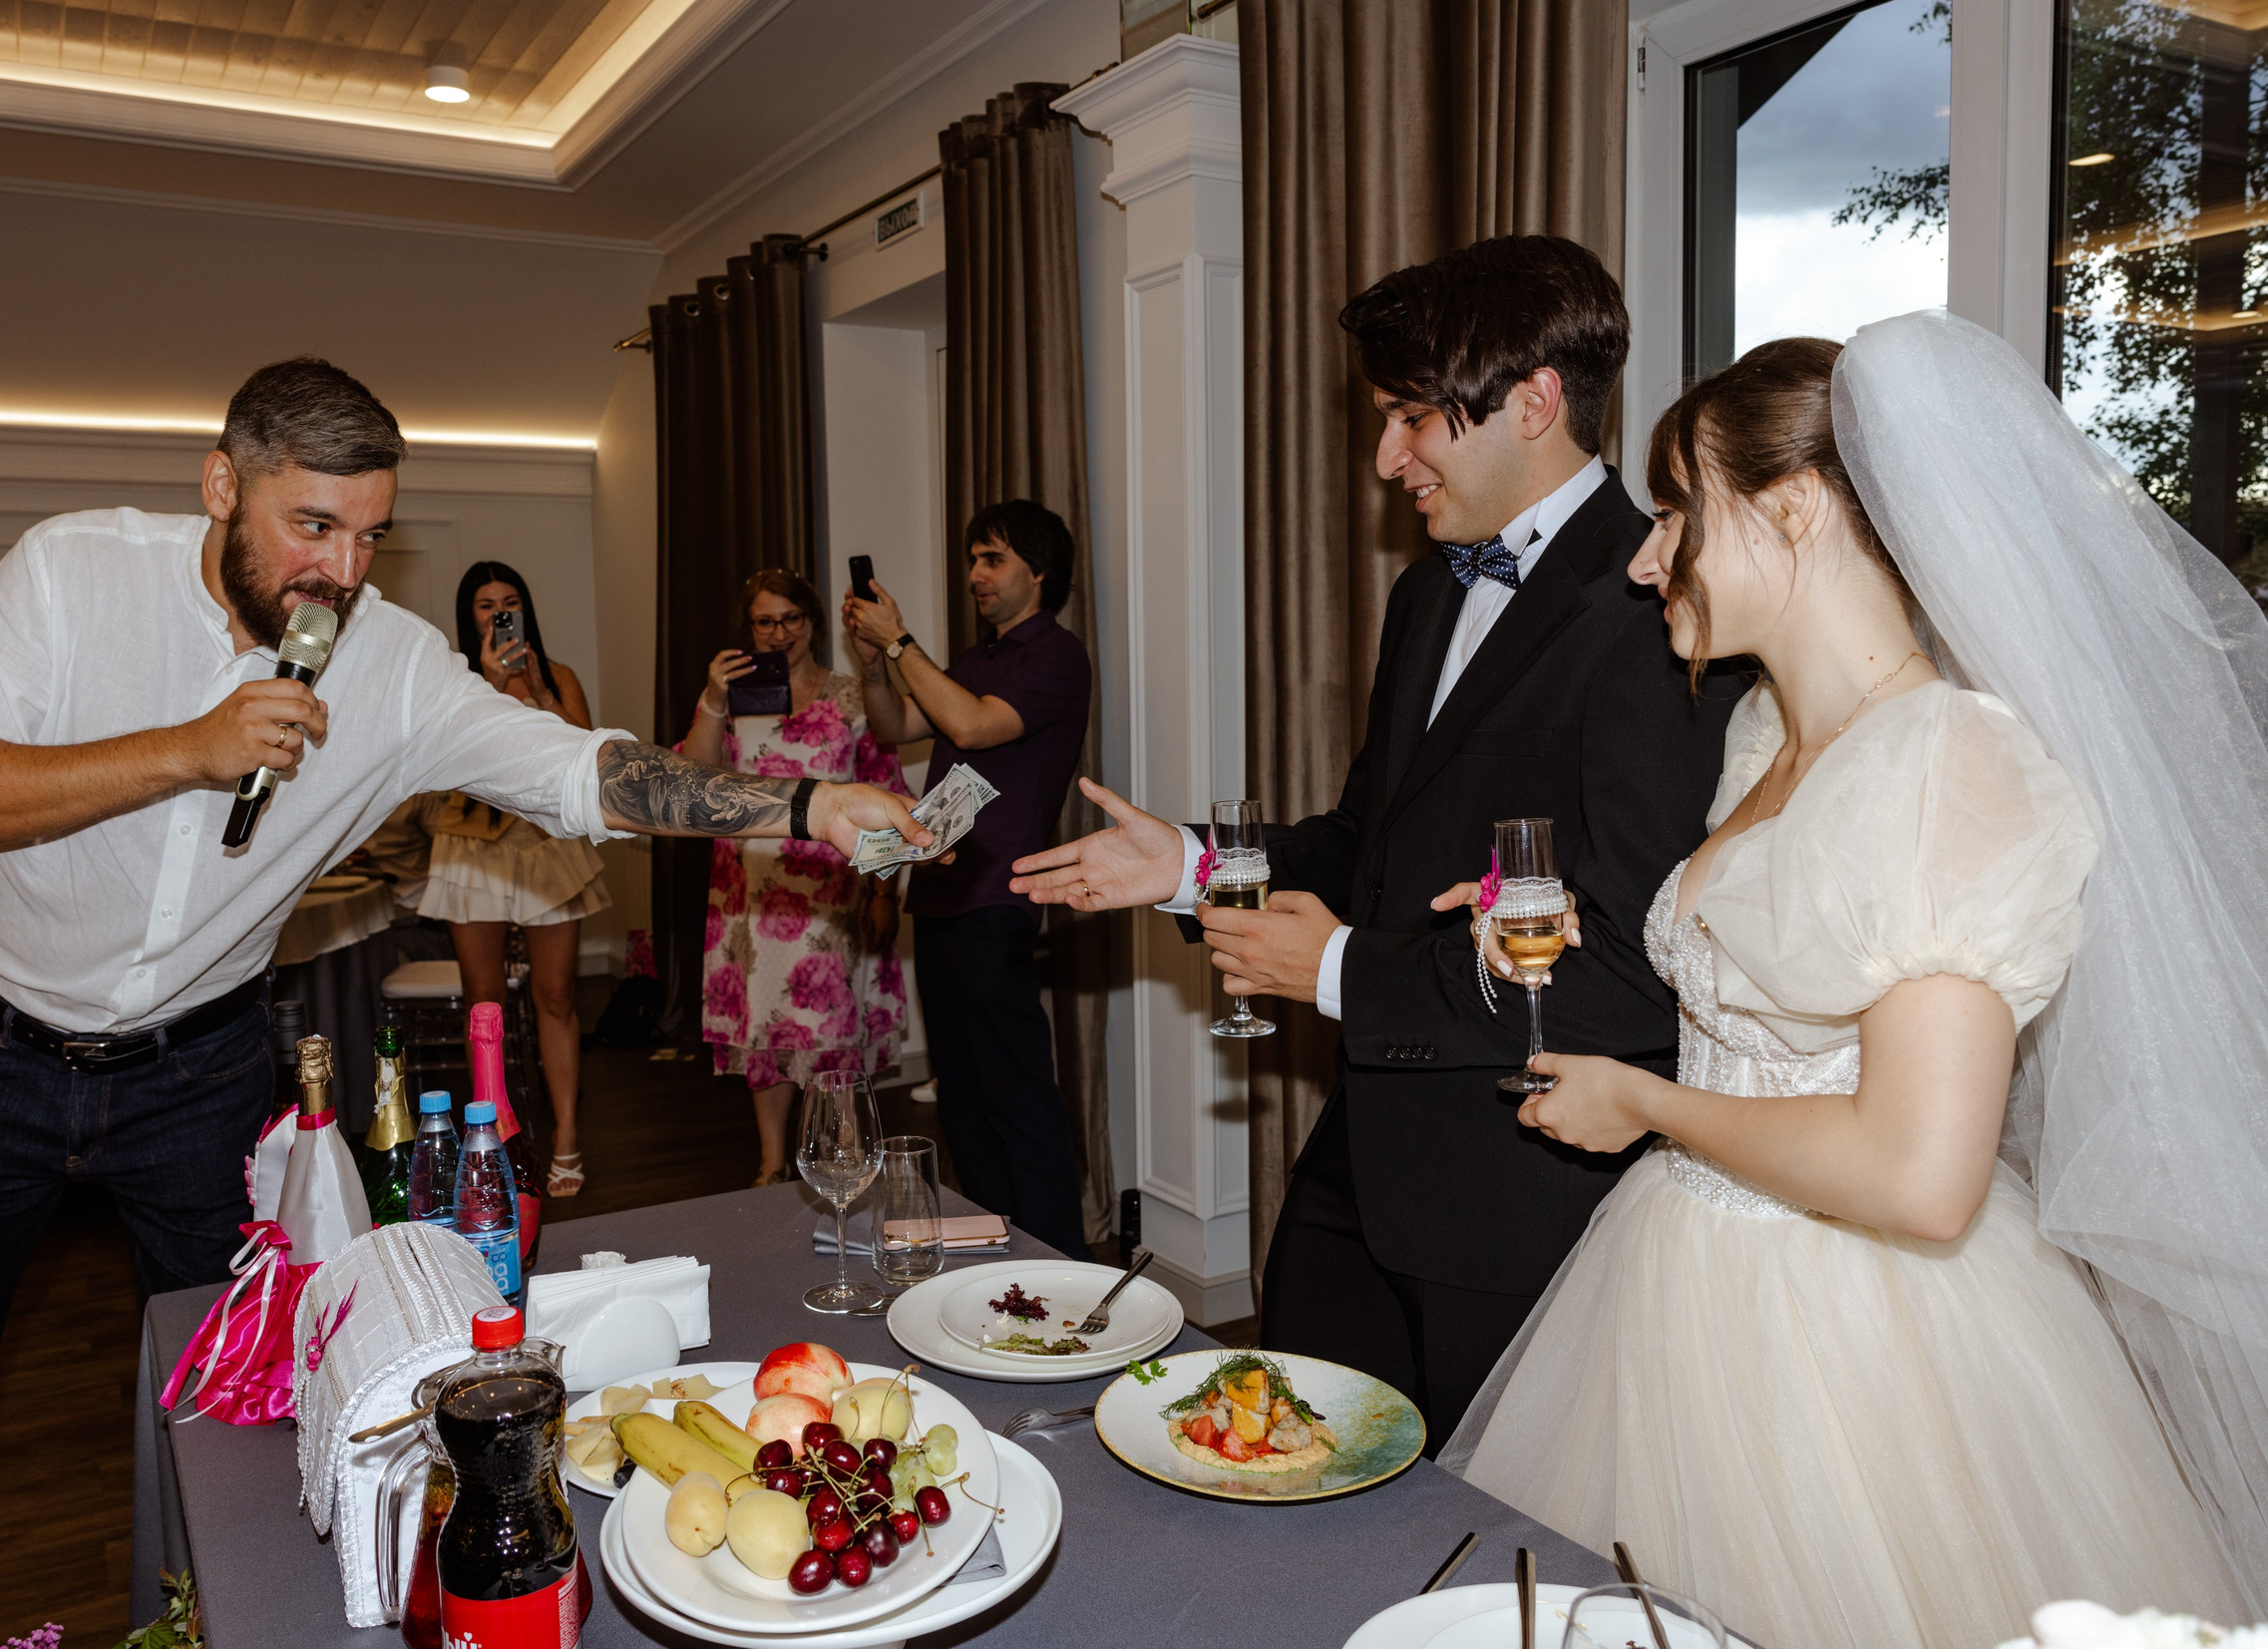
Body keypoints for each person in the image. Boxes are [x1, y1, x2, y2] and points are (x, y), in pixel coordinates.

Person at [0, 357, 932, 1649]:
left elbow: (585, 773)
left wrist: (805, 804)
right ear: (222, 485)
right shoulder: (74, 574)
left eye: (370, 537)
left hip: (198, 1076)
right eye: (313, 526)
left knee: (233, 1404)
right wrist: (190, 748)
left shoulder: (394, 667)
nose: (341, 572)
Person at [1439, 320, 2257, 1642]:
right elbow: (1770, 978)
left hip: (1857, 1341)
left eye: (1675, 513)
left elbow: (1921, 1179)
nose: (1645, 559)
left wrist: (1644, 1106)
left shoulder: (1950, 764)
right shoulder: (1765, 733)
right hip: (1681, 1285)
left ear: (1794, 507)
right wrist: (1559, 928)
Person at [1009, 237, 1741, 1431]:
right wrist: (1191, 867)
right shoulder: (1426, 591)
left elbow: (1628, 969)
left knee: (1475, 1527)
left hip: (1523, 1201)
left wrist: (1341, 971)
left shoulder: (1658, 608)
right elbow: (1370, 844)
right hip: (1361, 1163)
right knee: (1286, 1454)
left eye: (1410, 419)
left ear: (1533, 402)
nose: (1386, 458)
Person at [847, 502, 1094, 1260]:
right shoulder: (974, 658)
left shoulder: (1056, 655)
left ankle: (1058, 1259)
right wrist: (875, 663)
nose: (976, 575)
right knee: (961, 1094)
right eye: (973, 560)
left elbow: (972, 726)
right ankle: (996, 1252)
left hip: (999, 899)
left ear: (1038, 571)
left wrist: (901, 641)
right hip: (941, 892)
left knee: (1017, 1092)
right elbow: (895, 727)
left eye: (993, 559)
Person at [678, 568, 911, 1185]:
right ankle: (771, 1161)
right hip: (749, 893)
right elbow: (692, 781)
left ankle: (842, 1158)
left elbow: (886, 794)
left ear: (813, 622)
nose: (779, 634)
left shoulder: (852, 698)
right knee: (763, 1024)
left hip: (832, 897)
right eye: (765, 622)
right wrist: (713, 699)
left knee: (830, 1027)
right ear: (748, 628)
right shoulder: (733, 699)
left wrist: (884, 893)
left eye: (791, 619)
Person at [422, 561, 612, 1197]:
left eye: (510, 601)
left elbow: (588, 759)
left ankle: (567, 1137)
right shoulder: (455, 679)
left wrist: (537, 691)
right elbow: (444, 763)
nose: (499, 612)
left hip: (546, 847)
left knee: (555, 997)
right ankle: (493, 1141)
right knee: (484, 1004)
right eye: (486, 604)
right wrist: (492, 687)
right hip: (474, 846)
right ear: (469, 616)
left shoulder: (557, 675)